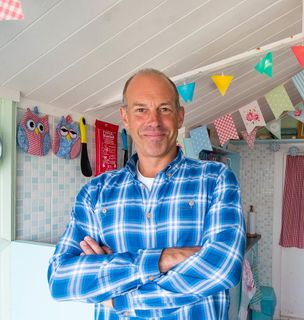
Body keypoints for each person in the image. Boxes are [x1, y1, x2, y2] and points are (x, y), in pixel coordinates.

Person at [48, 69, 246, 319]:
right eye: (141, 109)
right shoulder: (95, 192)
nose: (154, 121)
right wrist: (165, 258)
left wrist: (119, 295)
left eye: (164, 109)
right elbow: (60, 279)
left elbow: (222, 268)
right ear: (125, 117)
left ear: (180, 116)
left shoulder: (216, 179)